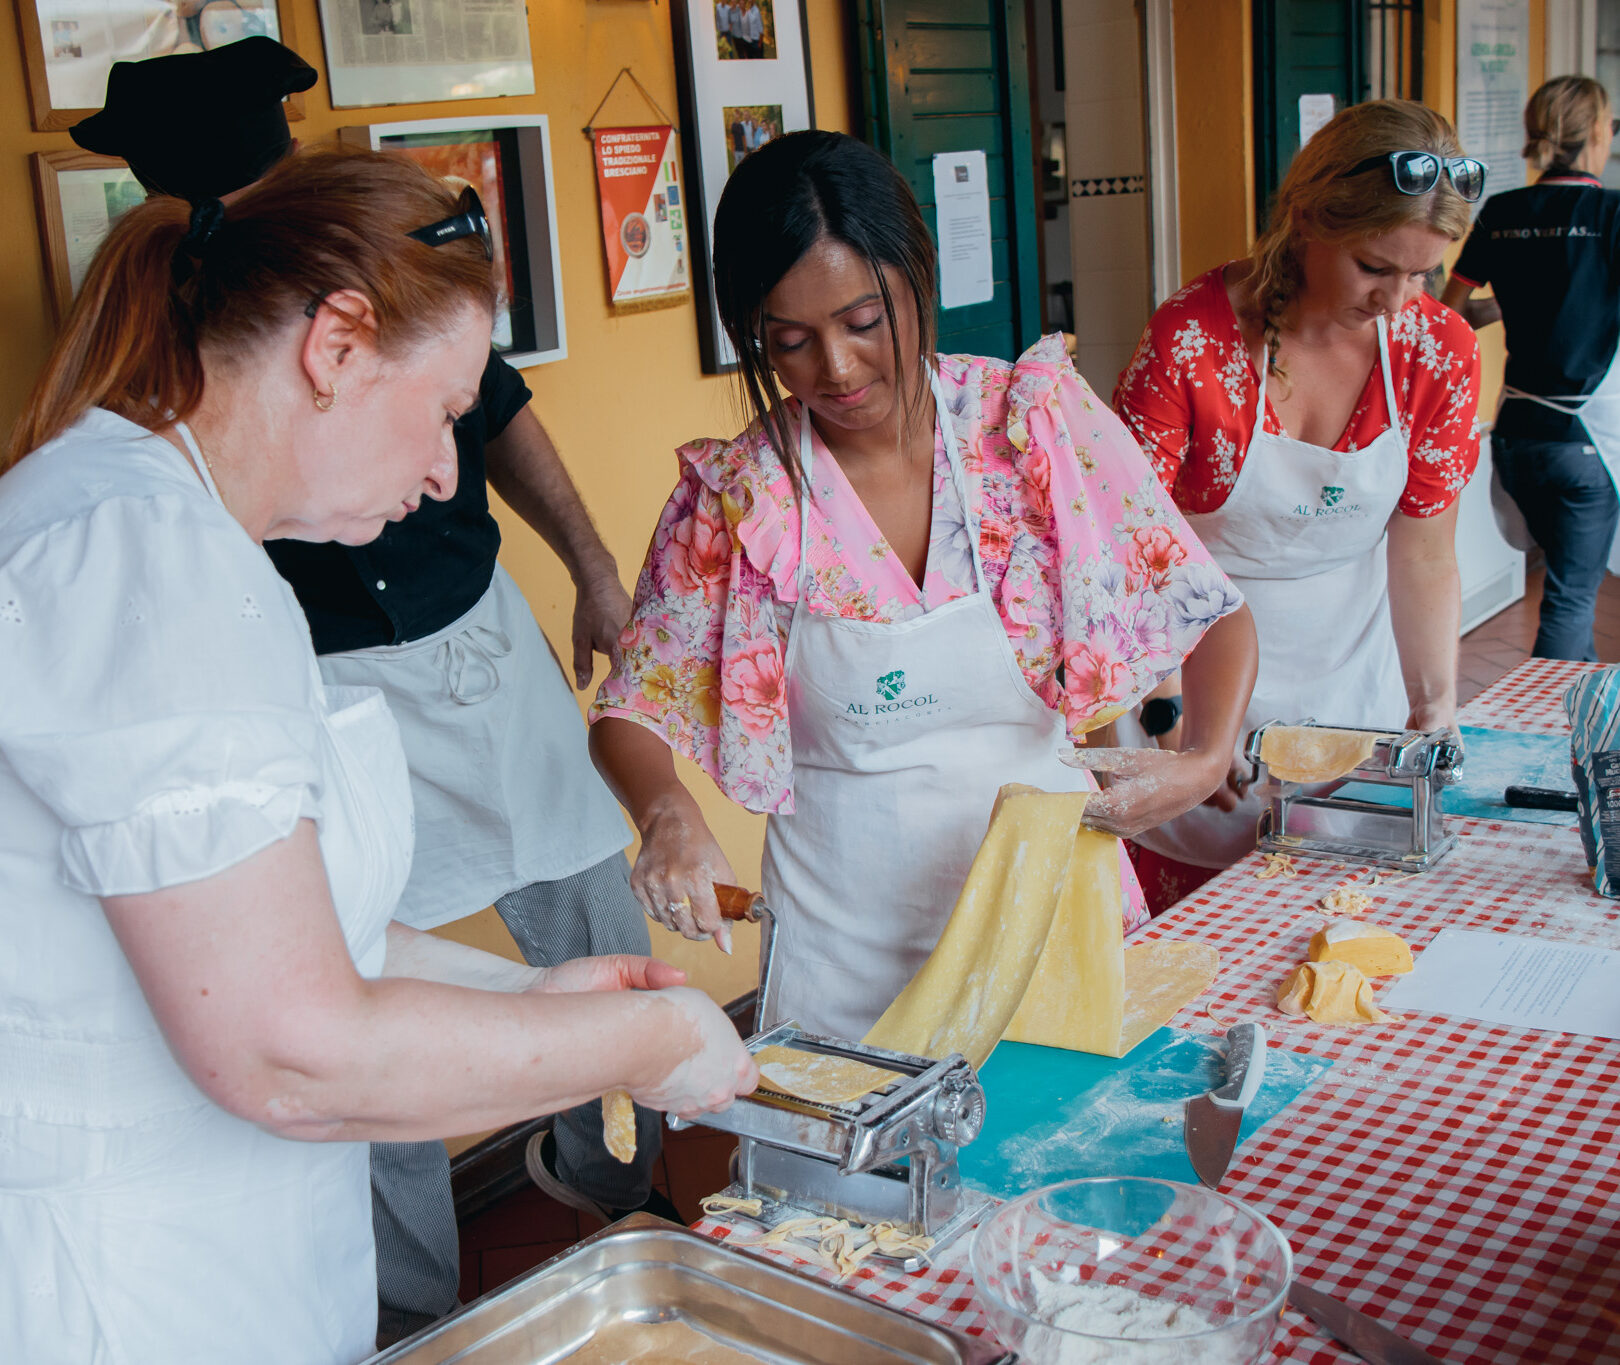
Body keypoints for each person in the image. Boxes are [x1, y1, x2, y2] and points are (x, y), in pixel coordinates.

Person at [0, 146, 756, 1365]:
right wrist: (655, 1044)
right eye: (445, 415)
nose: (438, 472)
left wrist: (519, 995)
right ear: (338, 344)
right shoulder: (151, 565)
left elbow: (270, 929)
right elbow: (289, 1049)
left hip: (175, 1262)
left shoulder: (161, 528)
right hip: (94, 1289)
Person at [74, 39, 676, 1340]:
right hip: (317, 685)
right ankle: (412, 1314)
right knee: (363, 994)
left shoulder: (396, 268)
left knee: (597, 931)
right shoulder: (163, 396)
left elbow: (500, 414)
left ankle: (617, 1192)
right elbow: (318, 1022)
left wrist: (592, 564)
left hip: (479, 647)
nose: (437, 465)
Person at [588, 131, 1256, 1042]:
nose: (837, 368)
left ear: (918, 276)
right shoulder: (741, 500)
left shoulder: (1030, 429)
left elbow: (1208, 609)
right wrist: (666, 812)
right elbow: (633, 707)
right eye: (789, 341)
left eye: (865, 320)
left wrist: (1207, 755)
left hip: (1050, 930)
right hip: (843, 956)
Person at [1114, 99, 1483, 909]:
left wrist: (1434, 707)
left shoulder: (1438, 354)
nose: (1398, 298)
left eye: (1423, 273)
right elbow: (1128, 550)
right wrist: (1174, 717)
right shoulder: (1192, 341)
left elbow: (1422, 550)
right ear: (1309, 217)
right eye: (1374, 267)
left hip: (1351, 688)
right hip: (1188, 674)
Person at [1442, 76, 1620, 662]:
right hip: (1587, 438)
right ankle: (1553, 737)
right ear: (1597, 132)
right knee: (1570, 599)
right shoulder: (1612, 214)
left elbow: (1449, 315)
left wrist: (1513, 304)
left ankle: (1579, 721)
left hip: (1517, 435)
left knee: (1568, 588)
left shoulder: (1501, 212)